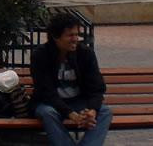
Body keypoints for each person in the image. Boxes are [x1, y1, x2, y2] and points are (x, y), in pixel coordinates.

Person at [30, 13, 111, 146]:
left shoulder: (85, 54)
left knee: (104, 112)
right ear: (56, 37)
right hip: (50, 103)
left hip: (78, 102)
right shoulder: (40, 55)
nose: (75, 39)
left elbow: (96, 88)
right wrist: (70, 114)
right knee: (47, 113)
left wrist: (92, 110)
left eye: (76, 34)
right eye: (70, 35)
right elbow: (46, 92)